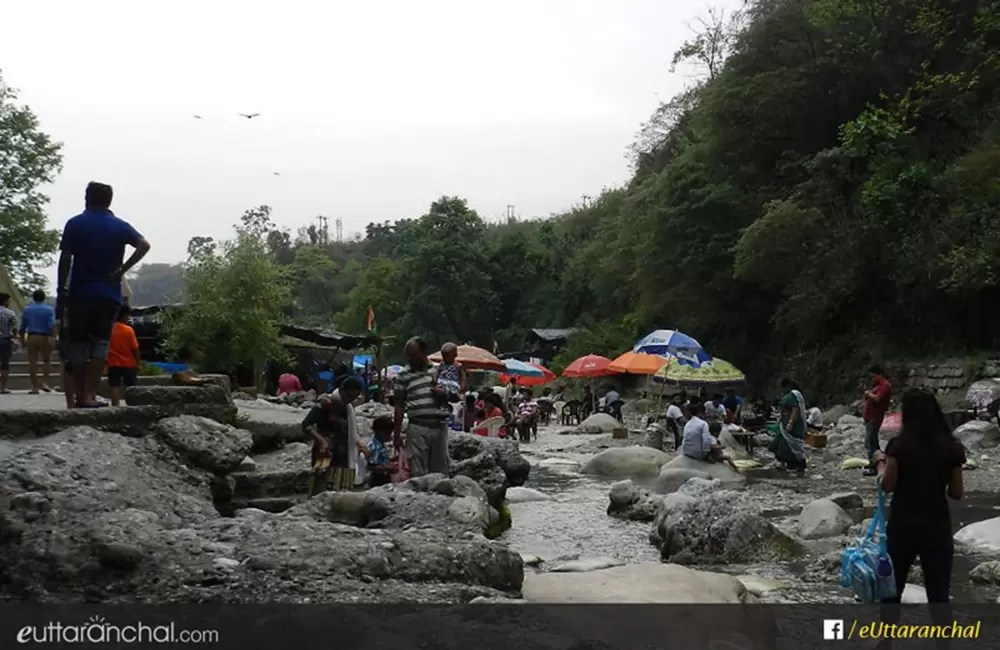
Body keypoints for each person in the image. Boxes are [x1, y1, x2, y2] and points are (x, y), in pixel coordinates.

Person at [873, 389, 964, 633]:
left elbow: (888, 485)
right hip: (937, 527)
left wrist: (880, 463)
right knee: (939, 594)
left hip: (903, 527)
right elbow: (957, 492)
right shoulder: (951, 447)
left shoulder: (899, 446)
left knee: (892, 592)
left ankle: (886, 642)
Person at [56, 182, 150, 408]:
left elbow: (66, 259)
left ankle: (79, 395)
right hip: (108, 295)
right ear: (109, 200)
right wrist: (122, 270)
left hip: (80, 293)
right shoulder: (119, 226)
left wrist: (61, 291)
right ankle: (90, 394)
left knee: (77, 345)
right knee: (100, 344)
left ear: (87, 198)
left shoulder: (75, 223)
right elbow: (144, 245)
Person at [393, 337, 451, 477]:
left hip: (439, 426)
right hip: (417, 427)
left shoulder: (440, 370)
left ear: (424, 352)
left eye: (413, 355)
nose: (410, 359)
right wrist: (397, 433)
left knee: (439, 471)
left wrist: (444, 393)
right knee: (417, 471)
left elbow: (454, 394)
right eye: (408, 355)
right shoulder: (403, 375)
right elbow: (399, 405)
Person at [305, 376, 367, 495]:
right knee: (321, 487)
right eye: (348, 396)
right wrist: (321, 441)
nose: (349, 400)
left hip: (342, 452)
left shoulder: (347, 407)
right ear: (342, 390)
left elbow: (350, 431)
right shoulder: (326, 403)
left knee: (340, 488)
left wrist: (359, 443)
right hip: (325, 452)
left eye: (353, 398)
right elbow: (306, 425)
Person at [682, 403, 740, 472]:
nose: (706, 415)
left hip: (686, 451)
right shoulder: (703, 424)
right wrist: (707, 452)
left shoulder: (688, 423)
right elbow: (706, 442)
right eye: (704, 413)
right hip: (697, 454)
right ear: (700, 413)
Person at [19, 290, 56, 394]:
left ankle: (34, 387)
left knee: (32, 361)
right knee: (47, 360)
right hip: (44, 336)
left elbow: (22, 327)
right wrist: (53, 338)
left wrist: (22, 340)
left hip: (31, 336)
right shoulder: (49, 310)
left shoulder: (27, 309)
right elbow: (51, 325)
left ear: (33, 298)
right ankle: (43, 382)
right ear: (44, 298)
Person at [770, 379, 807, 474]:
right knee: (779, 444)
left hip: (791, 426)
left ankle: (797, 464)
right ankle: (783, 463)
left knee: (789, 446)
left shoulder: (791, 396)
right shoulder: (794, 396)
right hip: (786, 424)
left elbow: (795, 410)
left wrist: (791, 422)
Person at [106, 307, 140, 406]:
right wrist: (137, 363)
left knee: (114, 386)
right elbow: (135, 349)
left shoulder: (109, 330)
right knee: (131, 388)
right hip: (129, 364)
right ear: (124, 316)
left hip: (113, 363)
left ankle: (116, 408)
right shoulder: (128, 330)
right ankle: (132, 407)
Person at [863, 364, 893, 476]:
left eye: (874, 376)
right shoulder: (878, 385)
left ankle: (874, 465)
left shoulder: (885, 385)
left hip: (874, 418)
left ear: (879, 374)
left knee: (870, 443)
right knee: (872, 442)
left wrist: (868, 394)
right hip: (870, 417)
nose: (872, 379)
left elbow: (877, 398)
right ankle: (876, 462)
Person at [366, 415, 395, 487]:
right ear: (380, 432)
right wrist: (388, 468)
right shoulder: (374, 446)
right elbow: (371, 466)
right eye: (388, 433)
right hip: (378, 479)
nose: (389, 436)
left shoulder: (380, 444)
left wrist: (392, 459)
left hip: (384, 476)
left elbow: (379, 459)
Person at [0, 293, 18, 394]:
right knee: (4, 364)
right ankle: (3, 387)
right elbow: (14, 328)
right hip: (5, 340)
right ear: (5, 301)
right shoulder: (10, 313)